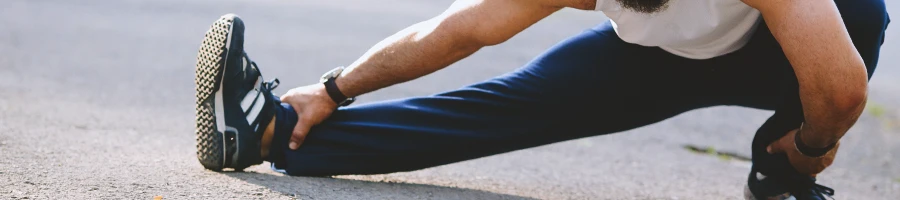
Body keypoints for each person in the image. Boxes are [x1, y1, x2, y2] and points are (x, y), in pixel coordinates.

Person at [192, 0, 889, 199]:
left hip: (782, 53)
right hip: (661, 60)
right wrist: (334, 89)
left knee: (858, 23)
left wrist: (805, 148)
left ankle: (777, 178)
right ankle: (269, 133)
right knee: (514, 100)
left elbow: (840, 86)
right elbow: (458, 30)